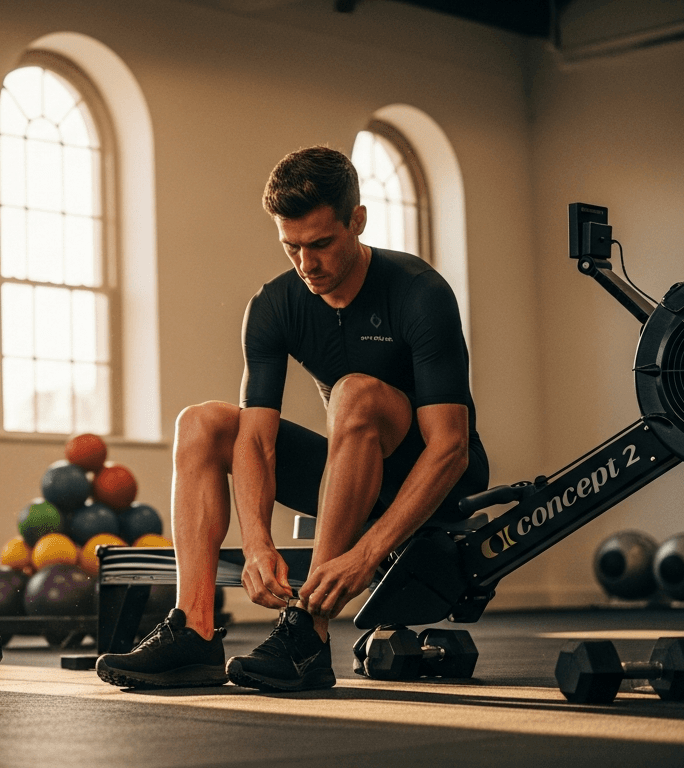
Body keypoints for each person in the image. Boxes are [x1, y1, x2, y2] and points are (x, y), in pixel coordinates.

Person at [95, 146, 488, 692]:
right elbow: (255, 443)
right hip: (347, 472)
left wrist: (366, 555)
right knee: (202, 423)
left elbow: (451, 447)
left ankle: (308, 633)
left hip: (436, 482)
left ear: (357, 221)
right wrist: (257, 543)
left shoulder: (419, 292)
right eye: (292, 247)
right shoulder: (275, 305)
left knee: (354, 393)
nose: (307, 265)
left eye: (321, 244)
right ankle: (195, 631)